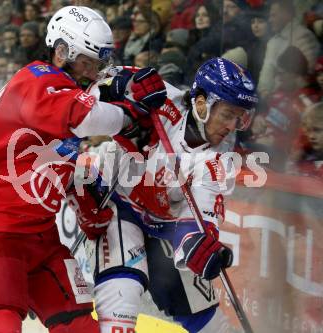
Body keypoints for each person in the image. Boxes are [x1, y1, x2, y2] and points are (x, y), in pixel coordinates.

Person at [0, 6, 167, 333]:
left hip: (38, 233)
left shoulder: (59, 90)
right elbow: (81, 118)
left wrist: (83, 197)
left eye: (99, 64)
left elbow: (57, 153)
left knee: (75, 321)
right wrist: (131, 114)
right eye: (88, 62)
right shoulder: (37, 78)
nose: (94, 73)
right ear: (61, 52)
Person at [68, 57, 258, 333]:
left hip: (165, 225)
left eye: (240, 118)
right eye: (228, 114)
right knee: (122, 294)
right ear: (202, 103)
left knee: (207, 320)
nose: (232, 126)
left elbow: (200, 220)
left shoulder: (219, 162)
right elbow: (95, 89)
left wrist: (198, 247)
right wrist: (122, 86)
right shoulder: (164, 99)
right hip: (119, 203)